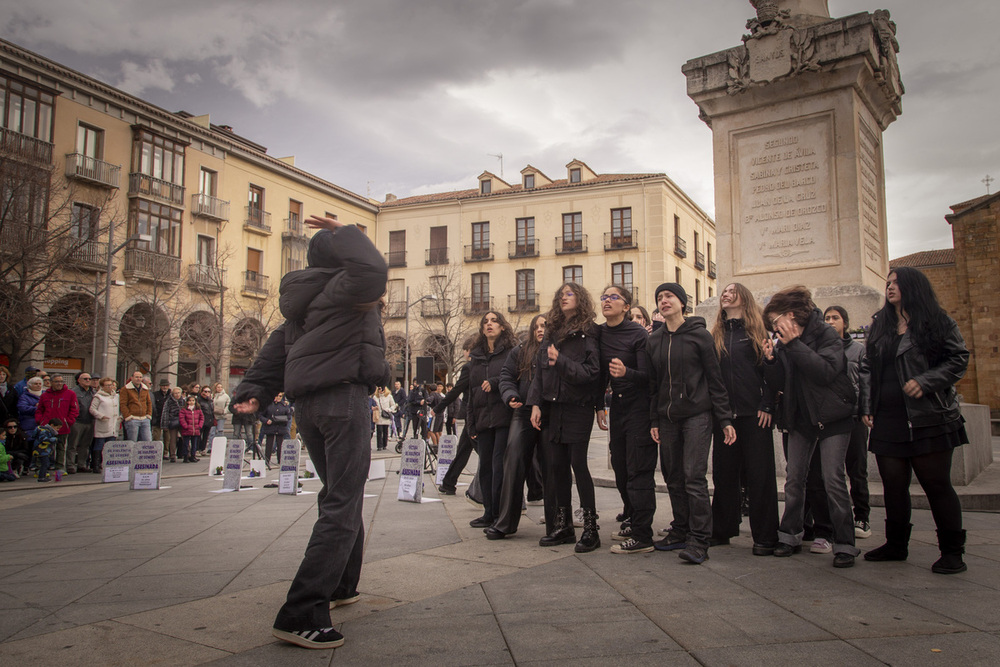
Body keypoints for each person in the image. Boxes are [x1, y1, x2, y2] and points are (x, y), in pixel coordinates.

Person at [231, 215, 390, 650]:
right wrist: (348, 232)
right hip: (342, 400)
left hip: (310, 407)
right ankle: (301, 611)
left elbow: (272, 356)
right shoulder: (343, 288)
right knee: (341, 502)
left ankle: (341, 585)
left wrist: (253, 392)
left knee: (340, 495)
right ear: (340, 257)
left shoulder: (302, 303)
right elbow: (374, 271)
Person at [859, 267, 970, 574]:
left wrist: (927, 380)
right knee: (893, 485)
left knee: (936, 484)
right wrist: (867, 405)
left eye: (896, 283)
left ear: (912, 287)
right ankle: (896, 545)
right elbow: (868, 367)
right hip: (889, 416)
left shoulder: (937, 321)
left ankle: (952, 551)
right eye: (888, 283)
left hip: (929, 416)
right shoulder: (881, 323)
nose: (890, 287)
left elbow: (959, 358)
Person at [763, 286, 859, 568]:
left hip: (832, 416)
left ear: (791, 315)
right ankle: (789, 535)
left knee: (833, 480)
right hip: (800, 417)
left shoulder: (825, 333)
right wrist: (771, 361)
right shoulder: (783, 341)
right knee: (794, 480)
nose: (773, 326)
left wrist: (793, 345)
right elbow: (781, 383)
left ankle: (844, 544)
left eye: (775, 320)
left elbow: (826, 371)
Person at [645, 282, 736, 565]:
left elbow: (715, 380)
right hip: (668, 418)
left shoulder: (700, 337)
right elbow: (653, 385)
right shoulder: (654, 340)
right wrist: (655, 419)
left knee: (693, 478)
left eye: (669, 296)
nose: (664, 300)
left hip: (697, 415)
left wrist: (724, 419)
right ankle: (680, 530)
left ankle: (699, 540)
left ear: (682, 302)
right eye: (659, 297)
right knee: (673, 477)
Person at [528, 282, 602, 553]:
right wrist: (535, 403)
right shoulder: (552, 332)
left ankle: (591, 529)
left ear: (580, 299)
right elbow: (539, 371)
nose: (563, 297)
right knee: (556, 466)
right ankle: (564, 526)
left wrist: (560, 360)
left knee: (578, 466)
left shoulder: (589, 332)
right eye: (560, 294)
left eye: (569, 294)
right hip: (552, 408)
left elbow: (591, 374)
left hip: (577, 407)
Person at [708, 283, 779, 555]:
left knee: (760, 476)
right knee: (724, 474)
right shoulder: (715, 334)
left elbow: (770, 372)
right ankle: (722, 529)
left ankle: (765, 535)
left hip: (754, 416)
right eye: (723, 292)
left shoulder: (759, 331)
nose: (725, 294)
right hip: (725, 418)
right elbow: (713, 379)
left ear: (743, 298)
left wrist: (767, 405)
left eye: (731, 291)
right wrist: (720, 414)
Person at [593, 285, 658, 555]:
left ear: (626, 306)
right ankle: (631, 518)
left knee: (638, 470)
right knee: (619, 467)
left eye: (614, 297)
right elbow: (599, 373)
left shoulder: (639, 334)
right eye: (604, 296)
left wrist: (626, 372)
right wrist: (599, 405)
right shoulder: (599, 333)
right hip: (617, 407)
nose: (607, 300)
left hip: (640, 408)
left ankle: (643, 535)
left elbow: (649, 376)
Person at [488, 314, 548, 539]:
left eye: (545, 326)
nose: (541, 330)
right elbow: (506, 376)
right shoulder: (521, 351)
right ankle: (505, 523)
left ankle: (557, 520)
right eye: (537, 326)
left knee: (551, 465)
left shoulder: (557, 351)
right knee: (512, 463)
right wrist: (510, 395)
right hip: (522, 412)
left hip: (549, 413)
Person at [465, 311, 517, 529]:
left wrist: (496, 382)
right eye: (485, 321)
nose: (489, 324)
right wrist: (470, 422)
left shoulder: (511, 353)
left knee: (498, 466)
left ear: (502, 327)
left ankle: (498, 513)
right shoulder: (475, 357)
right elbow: (471, 391)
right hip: (482, 418)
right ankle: (487, 512)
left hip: (503, 416)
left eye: (494, 321)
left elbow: (515, 378)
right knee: (484, 466)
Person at [824, 305, 872, 539]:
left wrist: (866, 409)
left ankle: (862, 517)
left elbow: (865, 382)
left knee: (857, 468)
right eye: (827, 318)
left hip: (854, 416)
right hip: (832, 417)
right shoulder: (821, 350)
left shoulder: (858, 350)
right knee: (833, 472)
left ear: (845, 322)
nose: (831, 321)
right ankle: (836, 520)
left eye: (835, 318)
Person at [35, 374, 79, 472]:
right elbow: (39, 409)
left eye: (61, 381)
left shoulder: (70, 394)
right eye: (56, 381)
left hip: (62, 426)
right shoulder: (45, 395)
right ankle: (41, 467)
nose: (59, 384)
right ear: (51, 383)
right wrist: (40, 421)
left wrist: (68, 421)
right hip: (47, 426)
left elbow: (74, 410)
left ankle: (59, 467)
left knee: (61, 447)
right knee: (44, 446)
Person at [66, 371, 97, 473]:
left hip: (90, 421)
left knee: (85, 445)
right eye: (85, 379)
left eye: (89, 379)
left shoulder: (93, 392)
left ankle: (81, 464)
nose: (88, 381)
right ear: (79, 380)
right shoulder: (73, 392)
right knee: (73, 445)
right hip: (77, 422)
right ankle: (70, 465)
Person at [90, 377, 120, 472]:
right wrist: (101, 416)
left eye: (111, 385)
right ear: (102, 386)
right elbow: (92, 409)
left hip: (113, 424)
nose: (109, 387)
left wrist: (121, 417)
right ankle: (96, 465)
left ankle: (107, 464)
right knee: (99, 445)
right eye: (107, 385)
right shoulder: (98, 396)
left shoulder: (116, 396)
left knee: (110, 446)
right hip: (103, 424)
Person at [120, 370, 153, 441]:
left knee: (147, 441)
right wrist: (128, 416)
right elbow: (123, 404)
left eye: (140, 377)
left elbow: (149, 403)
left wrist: (149, 415)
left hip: (145, 419)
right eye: (136, 377)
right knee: (133, 442)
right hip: (132, 419)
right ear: (132, 378)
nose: (138, 379)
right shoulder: (125, 389)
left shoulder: (145, 389)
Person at [261, 392, 294, 464]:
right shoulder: (268, 405)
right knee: (269, 444)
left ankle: (280, 460)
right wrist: (266, 420)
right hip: (270, 426)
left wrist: (284, 419)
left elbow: (288, 415)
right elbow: (261, 415)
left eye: (280, 396)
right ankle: (267, 460)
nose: (278, 398)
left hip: (280, 427)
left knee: (280, 445)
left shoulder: (284, 405)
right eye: (277, 396)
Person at [159, 386, 185, 463]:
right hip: (172, 421)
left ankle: (188, 453)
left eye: (178, 393)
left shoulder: (183, 401)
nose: (177, 395)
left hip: (183, 422)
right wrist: (165, 425)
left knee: (185, 438)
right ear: (172, 394)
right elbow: (165, 413)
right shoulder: (168, 401)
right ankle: (172, 455)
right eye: (175, 393)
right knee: (173, 439)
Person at [33, 418, 62, 482]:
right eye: (57, 428)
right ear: (52, 425)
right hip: (41, 450)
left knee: (46, 463)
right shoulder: (44, 431)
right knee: (45, 463)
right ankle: (41, 477)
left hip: (44, 450)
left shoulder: (48, 431)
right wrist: (55, 439)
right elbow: (44, 440)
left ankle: (43, 475)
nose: (58, 430)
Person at [179, 394, 204, 463]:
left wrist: (199, 425)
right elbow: (182, 419)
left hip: (195, 429)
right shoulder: (184, 410)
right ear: (187, 401)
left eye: (193, 400)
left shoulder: (198, 410)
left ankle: (193, 456)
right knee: (186, 444)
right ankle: (186, 456)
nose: (191, 402)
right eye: (190, 401)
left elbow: (201, 418)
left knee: (194, 444)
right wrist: (185, 426)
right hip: (187, 429)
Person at [374, 387, 398, 451]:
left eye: (382, 389)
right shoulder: (375, 397)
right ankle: (379, 446)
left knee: (385, 431)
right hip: (379, 416)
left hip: (386, 415)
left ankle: (384, 445)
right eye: (379, 389)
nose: (381, 390)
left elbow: (393, 405)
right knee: (379, 431)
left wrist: (389, 409)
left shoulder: (389, 396)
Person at [151, 379, 172, 447]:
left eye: (166, 385)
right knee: (156, 437)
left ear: (169, 386)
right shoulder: (155, 394)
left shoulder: (171, 396)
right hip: (157, 419)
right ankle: (155, 452)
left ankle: (165, 453)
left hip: (167, 420)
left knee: (167, 439)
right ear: (160, 386)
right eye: (163, 386)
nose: (165, 387)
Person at [196, 385, 215, 455]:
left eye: (208, 392)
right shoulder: (198, 400)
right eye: (205, 391)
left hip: (209, 419)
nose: (207, 393)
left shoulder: (210, 400)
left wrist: (212, 419)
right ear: (202, 392)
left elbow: (212, 410)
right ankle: (197, 449)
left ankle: (203, 449)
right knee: (198, 435)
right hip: (201, 420)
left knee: (205, 436)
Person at [211, 382, 231, 446]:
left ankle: (219, 445)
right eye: (218, 387)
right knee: (212, 432)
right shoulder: (212, 395)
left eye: (221, 387)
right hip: (213, 415)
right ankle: (210, 447)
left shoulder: (225, 396)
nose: (220, 388)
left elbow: (228, 404)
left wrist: (225, 411)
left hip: (221, 415)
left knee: (220, 430)